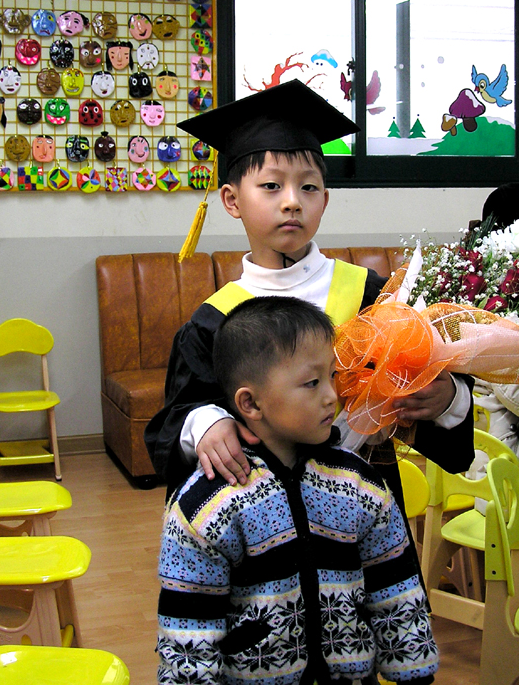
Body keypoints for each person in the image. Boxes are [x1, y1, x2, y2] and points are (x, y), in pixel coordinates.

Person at [144, 80, 475, 507]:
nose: (292, 202)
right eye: (271, 186)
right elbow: (175, 421)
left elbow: (427, 400)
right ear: (231, 200)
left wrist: (448, 398)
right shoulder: (214, 320)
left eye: (308, 187)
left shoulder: (374, 296)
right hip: (261, 515)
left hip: (366, 507)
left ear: (325, 199)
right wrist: (205, 424)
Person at [157, 296, 439, 685]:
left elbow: (397, 590)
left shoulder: (359, 484)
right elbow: (189, 629)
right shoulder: (207, 506)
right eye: (311, 383)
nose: (332, 396)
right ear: (250, 403)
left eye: (332, 376)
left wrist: (413, 673)